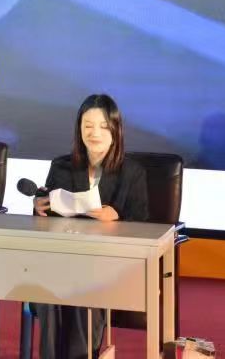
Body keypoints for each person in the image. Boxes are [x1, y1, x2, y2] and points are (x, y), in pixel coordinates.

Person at [31, 94, 149, 359]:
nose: (94, 133)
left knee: (83, 289)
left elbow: (143, 225)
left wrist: (117, 218)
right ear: (79, 129)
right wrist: (39, 208)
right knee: (48, 288)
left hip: (108, 265)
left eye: (103, 126)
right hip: (63, 259)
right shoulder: (61, 166)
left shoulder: (133, 172)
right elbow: (45, 222)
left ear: (116, 130)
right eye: (88, 126)